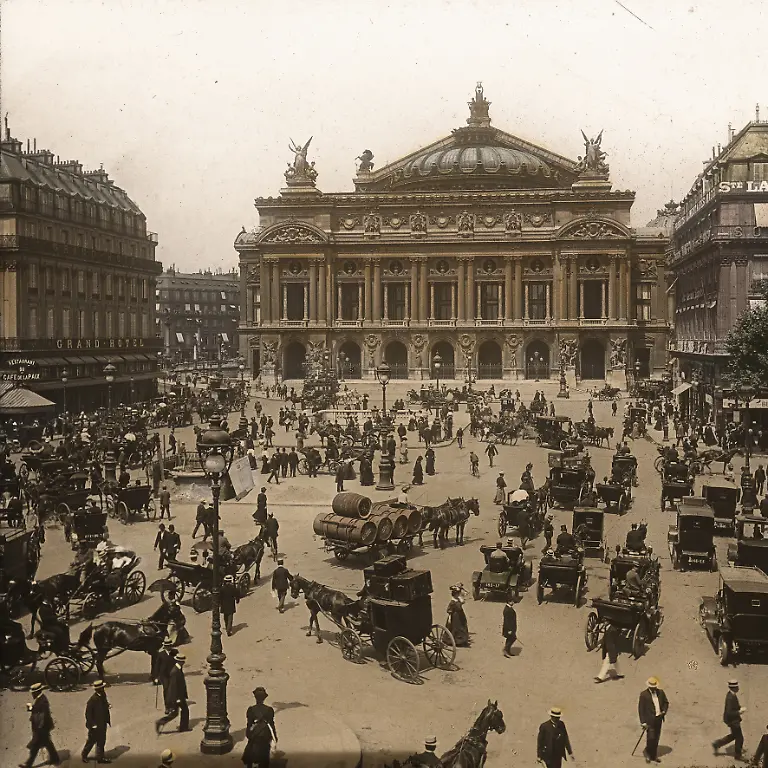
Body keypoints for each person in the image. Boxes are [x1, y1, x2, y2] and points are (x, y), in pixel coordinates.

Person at [21, 682, 60, 768]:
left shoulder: (42, 701)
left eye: (33, 692)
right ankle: (55, 758)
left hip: (42, 728)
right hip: (43, 728)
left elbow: (42, 715)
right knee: (47, 744)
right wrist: (32, 708)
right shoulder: (41, 699)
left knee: (36, 745)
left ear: (37, 692)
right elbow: (38, 710)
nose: (32, 694)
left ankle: (28, 764)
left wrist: (39, 728)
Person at [242, 687, 277, 768]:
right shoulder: (269, 710)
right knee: (264, 755)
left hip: (254, 734)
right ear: (264, 698)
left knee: (251, 752)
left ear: (255, 698)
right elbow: (271, 724)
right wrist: (274, 736)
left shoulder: (251, 710)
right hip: (265, 734)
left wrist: (249, 734)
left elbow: (249, 724)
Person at [155, 652, 189, 734]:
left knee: (175, 713)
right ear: (180, 662)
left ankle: (161, 722)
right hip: (177, 696)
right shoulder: (175, 672)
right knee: (184, 710)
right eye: (183, 661)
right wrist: (177, 698)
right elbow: (174, 687)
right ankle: (182, 727)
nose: (183, 663)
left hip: (179, 696)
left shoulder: (177, 669)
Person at [638, 677, 669, 764]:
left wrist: (664, 711)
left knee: (656, 738)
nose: (654, 688)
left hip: (658, 719)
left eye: (655, 686)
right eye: (652, 687)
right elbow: (641, 709)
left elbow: (666, 703)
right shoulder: (644, 695)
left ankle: (653, 756)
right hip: (649, 721)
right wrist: (643, 722)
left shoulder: (661, 693)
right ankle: (648, 755)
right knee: (650, 738)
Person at [712, 680, 746, 759]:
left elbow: (734, 706)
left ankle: (717, 744)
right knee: (740, 738)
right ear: (734, 688)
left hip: (732, 720)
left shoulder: (732, 695)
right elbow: (729, 713)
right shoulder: (730, 698)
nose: (738, 688)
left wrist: (739, 707)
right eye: (737, 687)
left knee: (734, 735)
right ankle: (738, 755)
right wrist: (739, 712)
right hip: (733, 721)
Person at [81, 679, 111, 764]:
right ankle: (84, 755)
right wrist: (92, 725)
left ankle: (100, 758)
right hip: (95, 725)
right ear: (97, 689)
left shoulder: (103, 695)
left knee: (101, 741)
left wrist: (108, 705)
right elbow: (88, 714)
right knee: (91, 741)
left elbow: (104, 703)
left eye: (103, 687)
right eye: (102, 688)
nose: (103, 689)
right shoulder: (92, 700)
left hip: (102, 722)